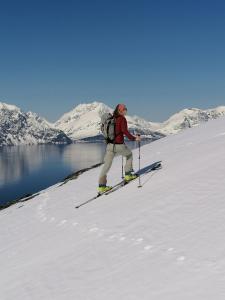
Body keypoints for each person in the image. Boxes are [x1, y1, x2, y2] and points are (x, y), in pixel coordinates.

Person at [98, 103, 141, 194]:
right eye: (124, 109)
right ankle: (128, 175)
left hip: (109, 146)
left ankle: (102, 186)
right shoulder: (122, 119)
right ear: (120, 110)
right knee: (129, 155)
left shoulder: (111, 119)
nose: (126, 111)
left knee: (106, 165)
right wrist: (134, 138)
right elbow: (125, 132)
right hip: (119, 145)